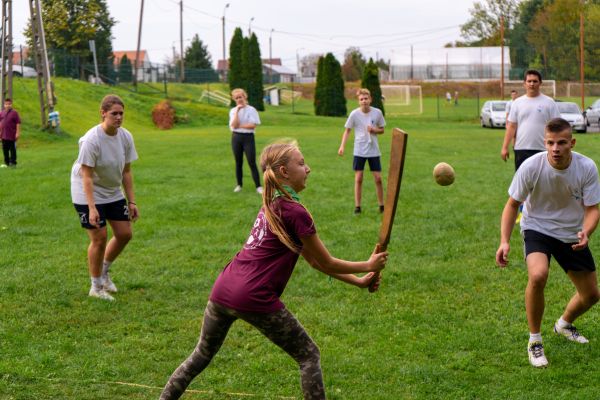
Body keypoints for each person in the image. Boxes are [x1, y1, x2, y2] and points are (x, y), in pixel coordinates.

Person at [160, 141, 387, 400]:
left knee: (200, 355)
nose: (308, 169)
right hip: (253, 296)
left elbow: (313, 262)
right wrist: (368, 265)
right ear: (283, 171)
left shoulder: (272, 202)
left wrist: (358, 281)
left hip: (223, 289)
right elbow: (326, 261)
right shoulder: (295, 212)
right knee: (308, 355)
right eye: (301, 164)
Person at [495, 118, 600, 368]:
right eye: (550, 143)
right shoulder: (532, 166)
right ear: (545, 142)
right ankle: (535, 340)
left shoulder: (586, 167)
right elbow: (511, 206)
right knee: (538, 275)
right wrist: (504, 241)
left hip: (571, 234)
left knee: (592, 295)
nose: (555, 148)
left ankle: (563, 324)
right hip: (537, 228)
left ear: (571, 143)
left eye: (562, 143)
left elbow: (593, 209)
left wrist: (586, 231)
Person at [70, 95, 139, 301]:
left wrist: (132, 201)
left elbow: (126, 172)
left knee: (125, 233)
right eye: (114, 113)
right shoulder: (92, 139)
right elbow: (87, 177)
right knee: (99, 238)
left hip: (111, 189)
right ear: (103, 113)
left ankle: (104, 271)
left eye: (121, 113)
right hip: (86, 190)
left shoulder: (125, 137)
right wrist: (92, 208)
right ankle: (96, 287)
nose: (118, 117)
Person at [338, 88, 386, 215]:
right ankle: (357, 207)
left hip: (373, 150)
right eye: (361, 99)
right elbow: (347, 130)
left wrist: (374, 130)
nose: (364, 101)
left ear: (370, 99)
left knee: (378, 178)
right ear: (358, 101)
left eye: (366, 98)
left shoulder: (377, 113)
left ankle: (382, 206)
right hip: (359, 150)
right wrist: (342, 146)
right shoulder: (354, 114)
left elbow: (382, 130)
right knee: (359, 178)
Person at [229, 88, 263, 195]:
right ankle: (239, 185)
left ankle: (258, 186)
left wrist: (240, 126)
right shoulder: (233, 111)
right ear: (234, 99)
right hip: (236, 138)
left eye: (241, 97)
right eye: (237, 98)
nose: (239, 99)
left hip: (248, 138)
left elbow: (252, 125)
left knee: (251, 162)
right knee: (238, 162)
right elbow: (233, 125)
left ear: (245, 97)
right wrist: (237, 111)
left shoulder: (251, 110)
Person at [0, 98, 21, 168]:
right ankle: (7, 163)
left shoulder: (14, 113)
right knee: (5, 150)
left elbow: (18, 123)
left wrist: (17, 133)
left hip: (12, 134)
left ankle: (13, 163)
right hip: (3, 135)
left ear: (11, 104)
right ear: (4, 105)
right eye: (6, 104)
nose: (7, 105)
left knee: (12, 149)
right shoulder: (1, 113)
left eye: (9, 104)